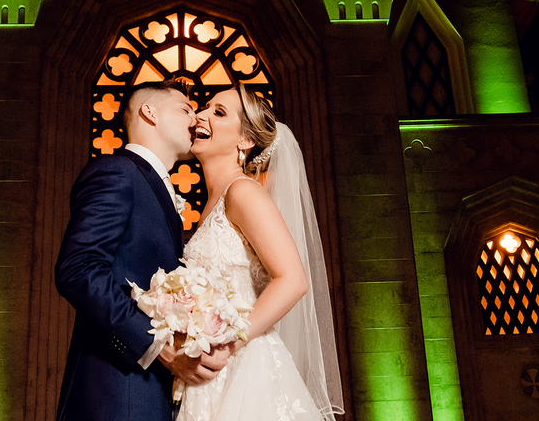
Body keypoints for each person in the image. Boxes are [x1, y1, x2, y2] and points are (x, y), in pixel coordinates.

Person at [55, 79, 231, 421]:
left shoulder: (154, 185)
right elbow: (78, 268)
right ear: (149, 112)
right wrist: (156, 344)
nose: (196, 119)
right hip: (117, 390)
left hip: (152, 390)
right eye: (186, 109)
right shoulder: (116, 171)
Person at [179, 85, 344, 420]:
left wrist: (227, 344)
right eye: (206, 107)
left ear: (245, 140)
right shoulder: (213, 202)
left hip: (245, 367)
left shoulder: (243, 192)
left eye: (218, 112)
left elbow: (293, 280)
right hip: (211, 367)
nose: (201, 115)